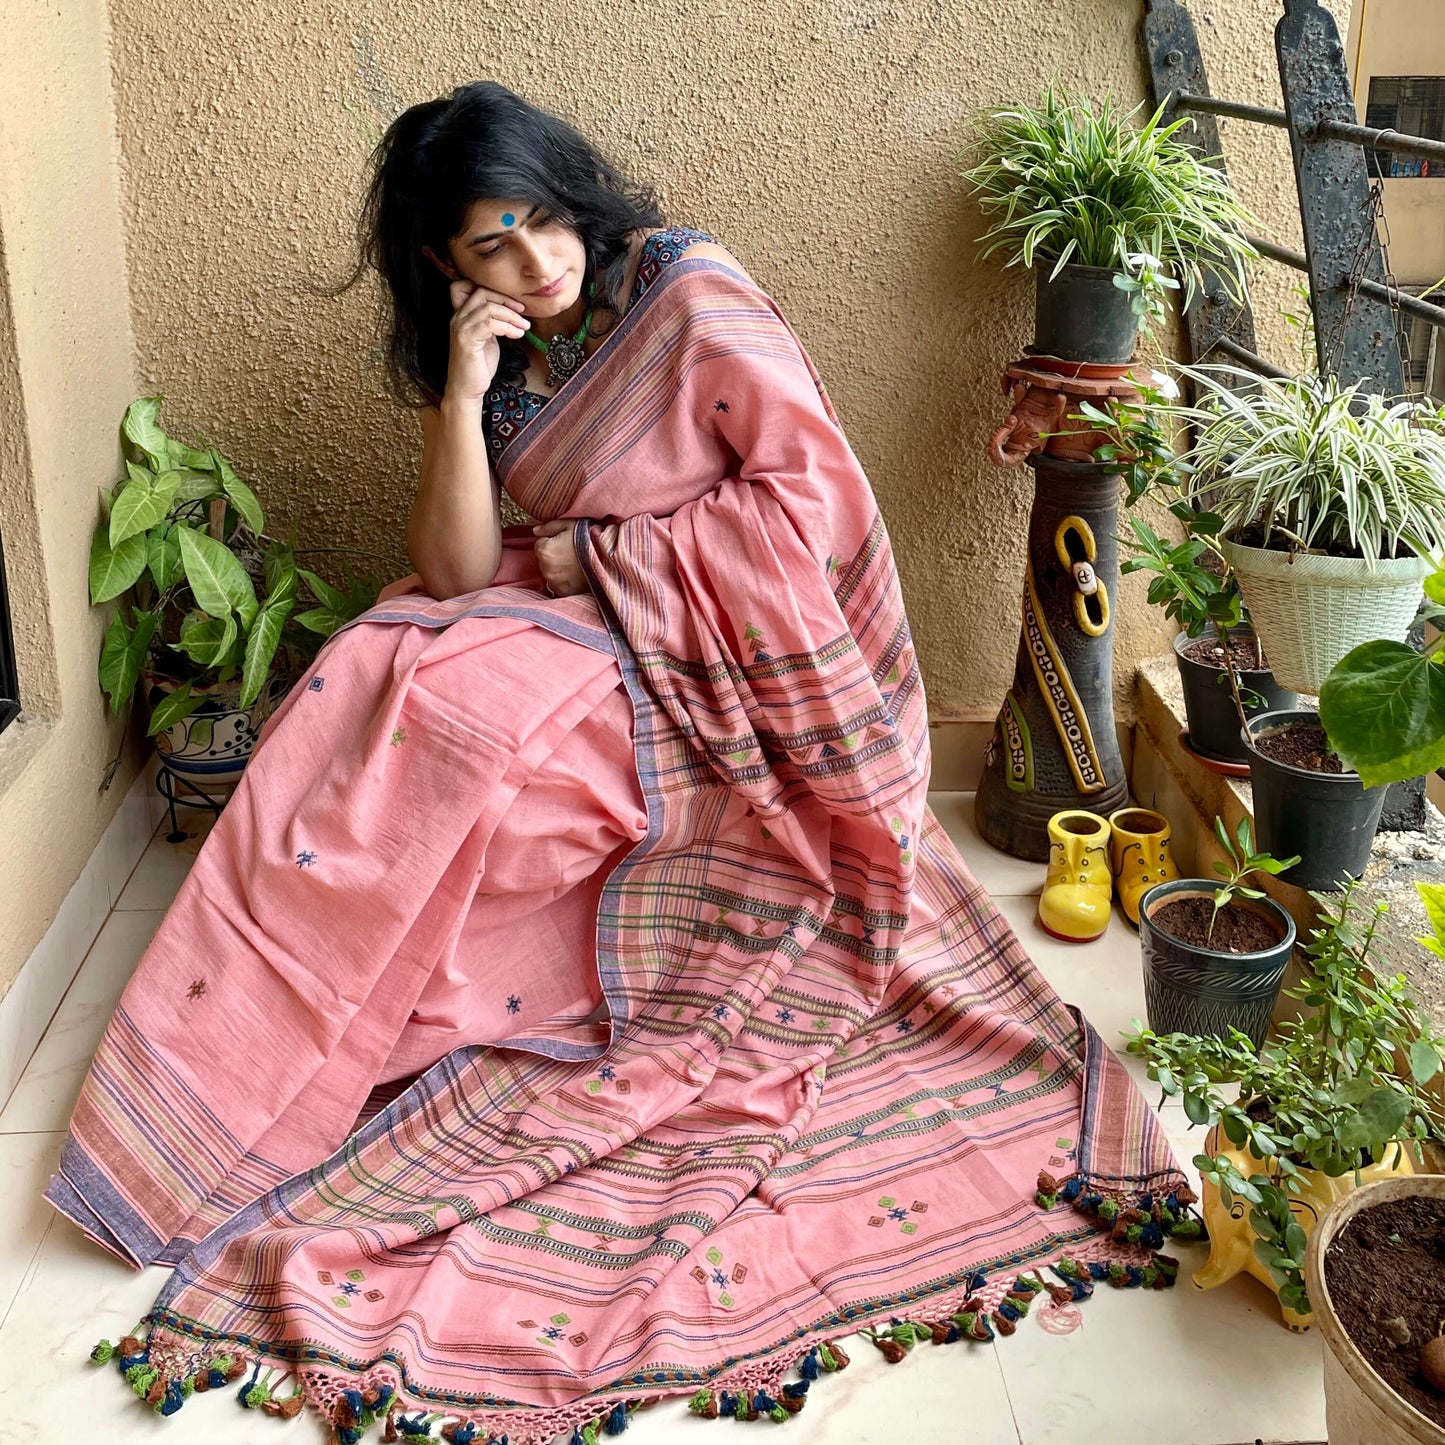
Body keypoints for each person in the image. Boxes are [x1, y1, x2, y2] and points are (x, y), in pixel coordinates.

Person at [45, 81, 1188, 1444]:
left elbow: (805, 512)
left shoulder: (686, 295)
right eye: (487, 248)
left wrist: (605, 559)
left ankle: (408, 1004)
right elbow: (461, 565)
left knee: (476, 737)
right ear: (442, 267)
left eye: (538, 221)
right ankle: (258, 1063)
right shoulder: (508, 364)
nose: (534, 262)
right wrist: (462, 394)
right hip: (590, 624)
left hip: (737, 668)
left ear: (570, 190)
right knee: (376, 670)